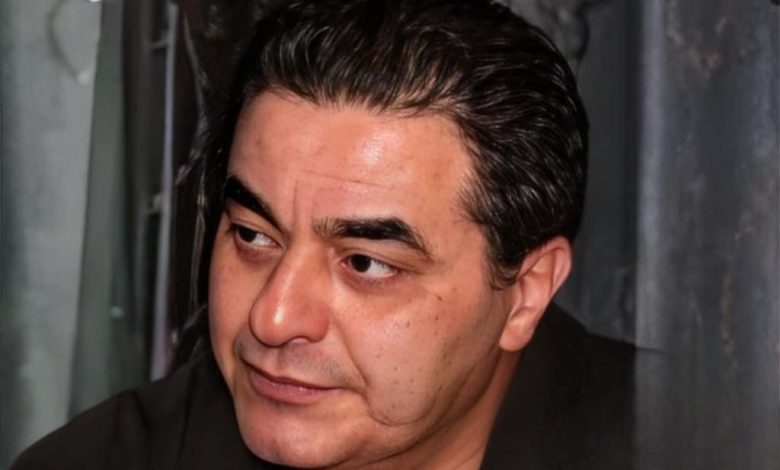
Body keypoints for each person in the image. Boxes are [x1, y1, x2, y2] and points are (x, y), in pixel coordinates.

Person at [13, 0, 635, 468]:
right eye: (253, 236)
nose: (273, 318)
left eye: (365, 263)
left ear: (526, 292)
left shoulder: (683, 439)